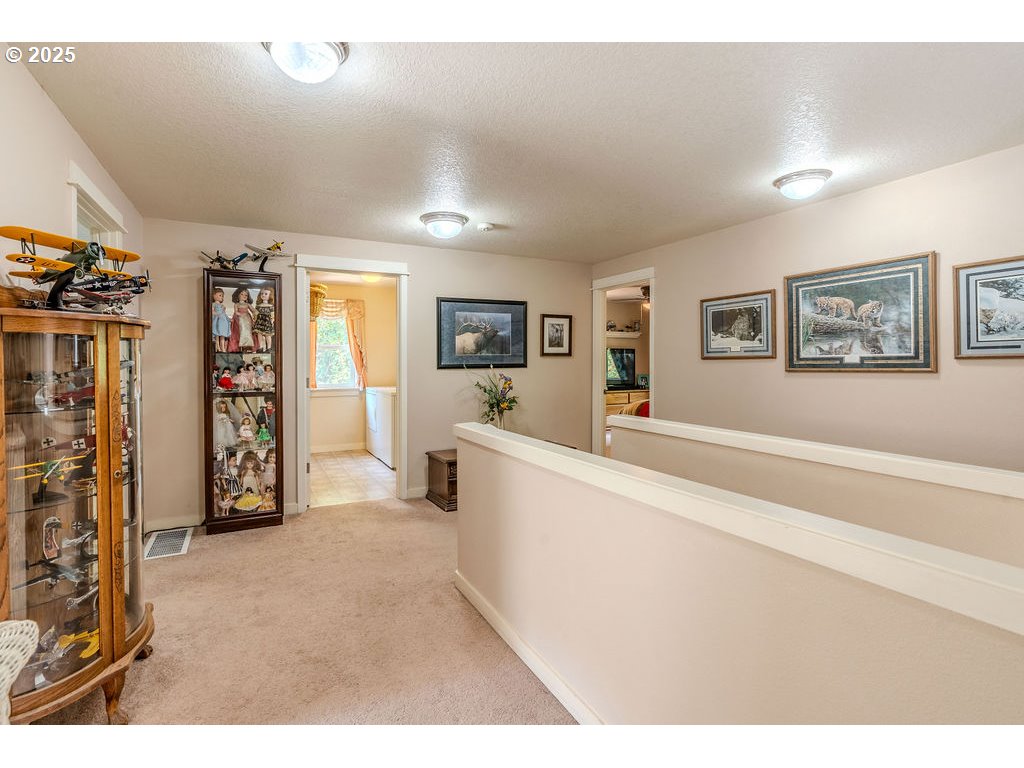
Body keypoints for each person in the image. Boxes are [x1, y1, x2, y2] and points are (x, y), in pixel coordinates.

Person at [228, 286, 255, 352]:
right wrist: (240, 314)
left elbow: (253, 310)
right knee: (240, 331)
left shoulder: (247, 304)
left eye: (246, 295)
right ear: (238, 295)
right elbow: (236, 311)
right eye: (242, 294)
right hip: (239, 318)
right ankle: (239, 346)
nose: (244, 296)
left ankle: (248, 346)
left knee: (248, 331)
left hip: (247, 319)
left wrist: (256, 313)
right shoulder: (236, 304)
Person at [253, 287, 275, 352]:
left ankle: (269, 347)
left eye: (266, 294)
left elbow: (272, 314)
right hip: (260, 321)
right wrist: (254, 319)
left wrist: (272, 320)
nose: (263, 295)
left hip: (267, 321)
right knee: (259, 335)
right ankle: (261, 347)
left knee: (267, 335)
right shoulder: (258, 306)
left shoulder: (271, 306)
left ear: (270, 295)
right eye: (262, 293)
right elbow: (255, 313)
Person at [211, 288, 231, 352]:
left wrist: (228, 318)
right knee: (217, 335)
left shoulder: (222, 305)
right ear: (214, 295)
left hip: (223, 321)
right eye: (220, 295)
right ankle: (217, 347)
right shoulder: (214, 304)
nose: (221, 297)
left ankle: (223, 348)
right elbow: (212, 312)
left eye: (222, 296)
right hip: (217, 320)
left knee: (222, 335)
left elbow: (224, 313)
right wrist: (217, 314)